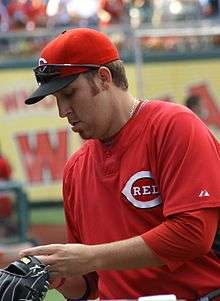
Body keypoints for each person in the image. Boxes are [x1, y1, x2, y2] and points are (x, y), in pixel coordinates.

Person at [20, 28, 220, 301]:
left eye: (69, 93)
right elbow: (90, 283)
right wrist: (58, 275)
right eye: (57, 99)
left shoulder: (173, 126)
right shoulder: (76, 169)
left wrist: (91, 257)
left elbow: (194, 233)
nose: (62, 110)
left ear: (103, 78)